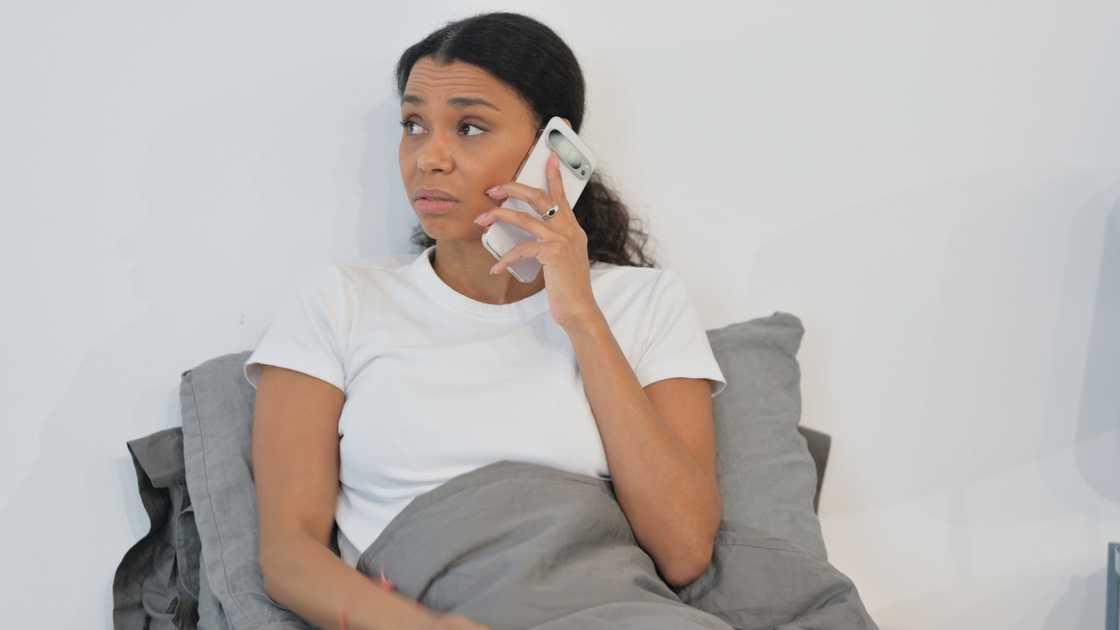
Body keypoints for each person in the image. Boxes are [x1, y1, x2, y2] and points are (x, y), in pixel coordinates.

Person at [245, 11, 727, 630]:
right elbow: (288, 554)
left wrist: (579, 312)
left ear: (553, 152)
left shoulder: (646, 303)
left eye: (469, 127)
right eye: (413, 125)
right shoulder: (337, 300)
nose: (429, 158)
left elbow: (684, 550)